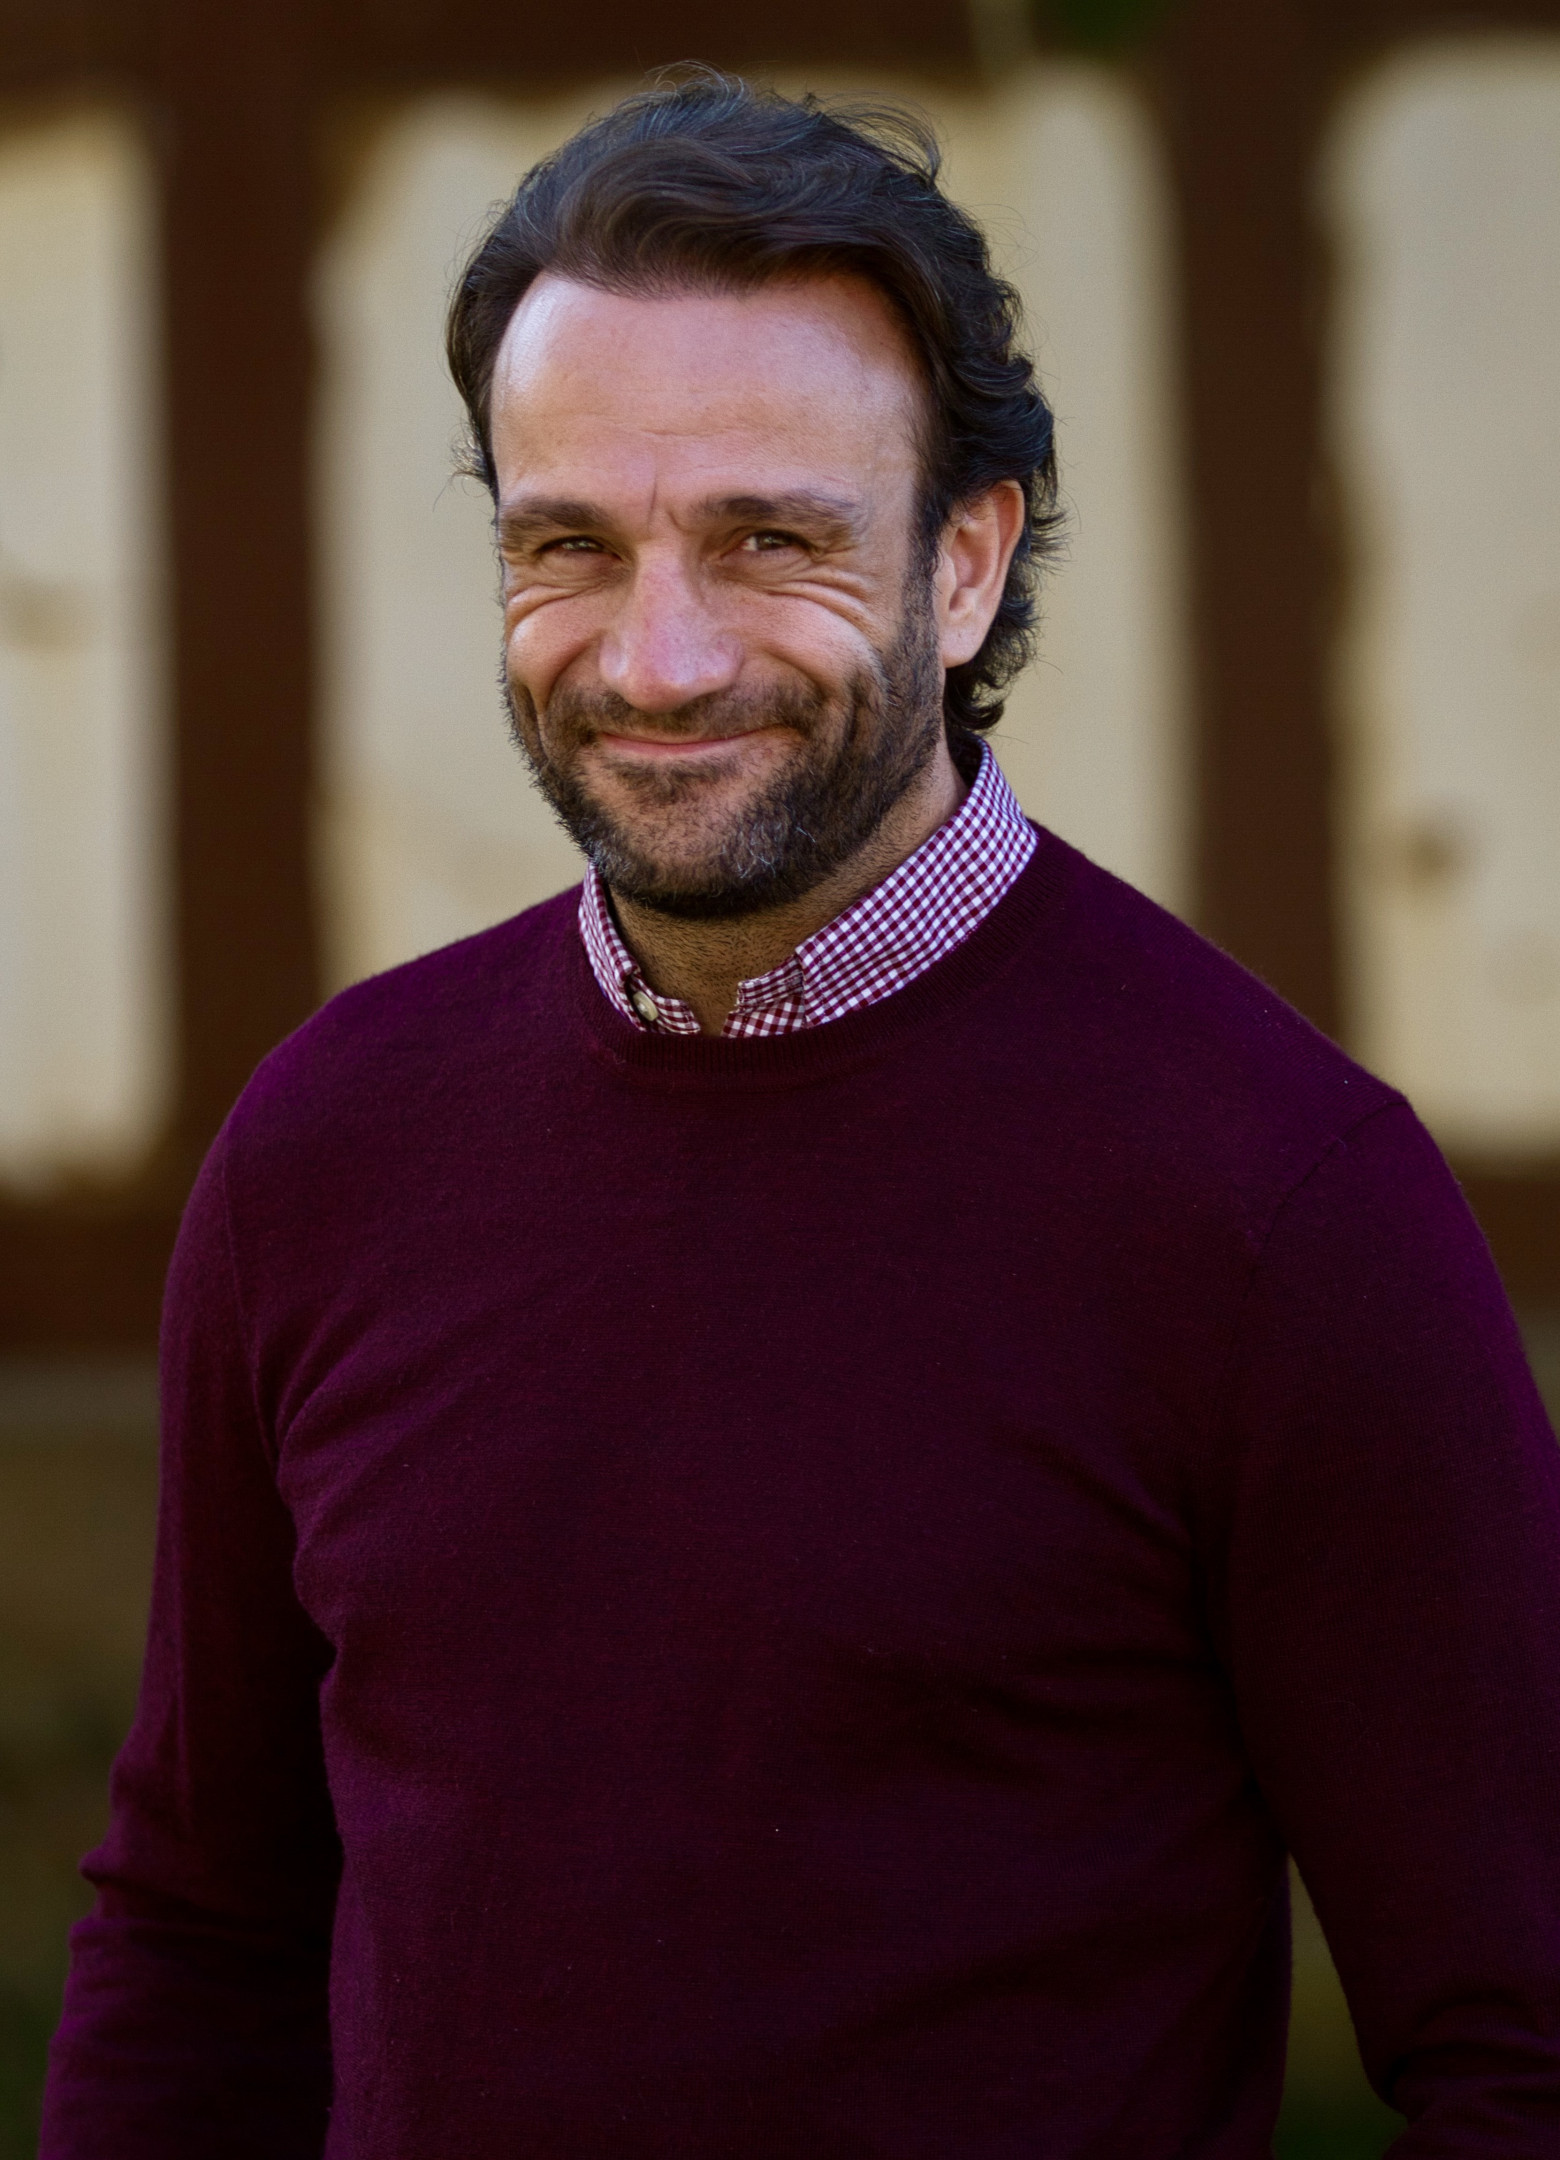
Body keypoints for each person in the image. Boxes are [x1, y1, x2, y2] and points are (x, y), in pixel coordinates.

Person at [41, 73, 1560, 2159]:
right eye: (570, 546)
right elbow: (203, 1939)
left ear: (965, 561)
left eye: (770, 540)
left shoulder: (1279, 1203)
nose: (658, 660)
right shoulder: (326, 1150)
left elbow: (1524, 2037)